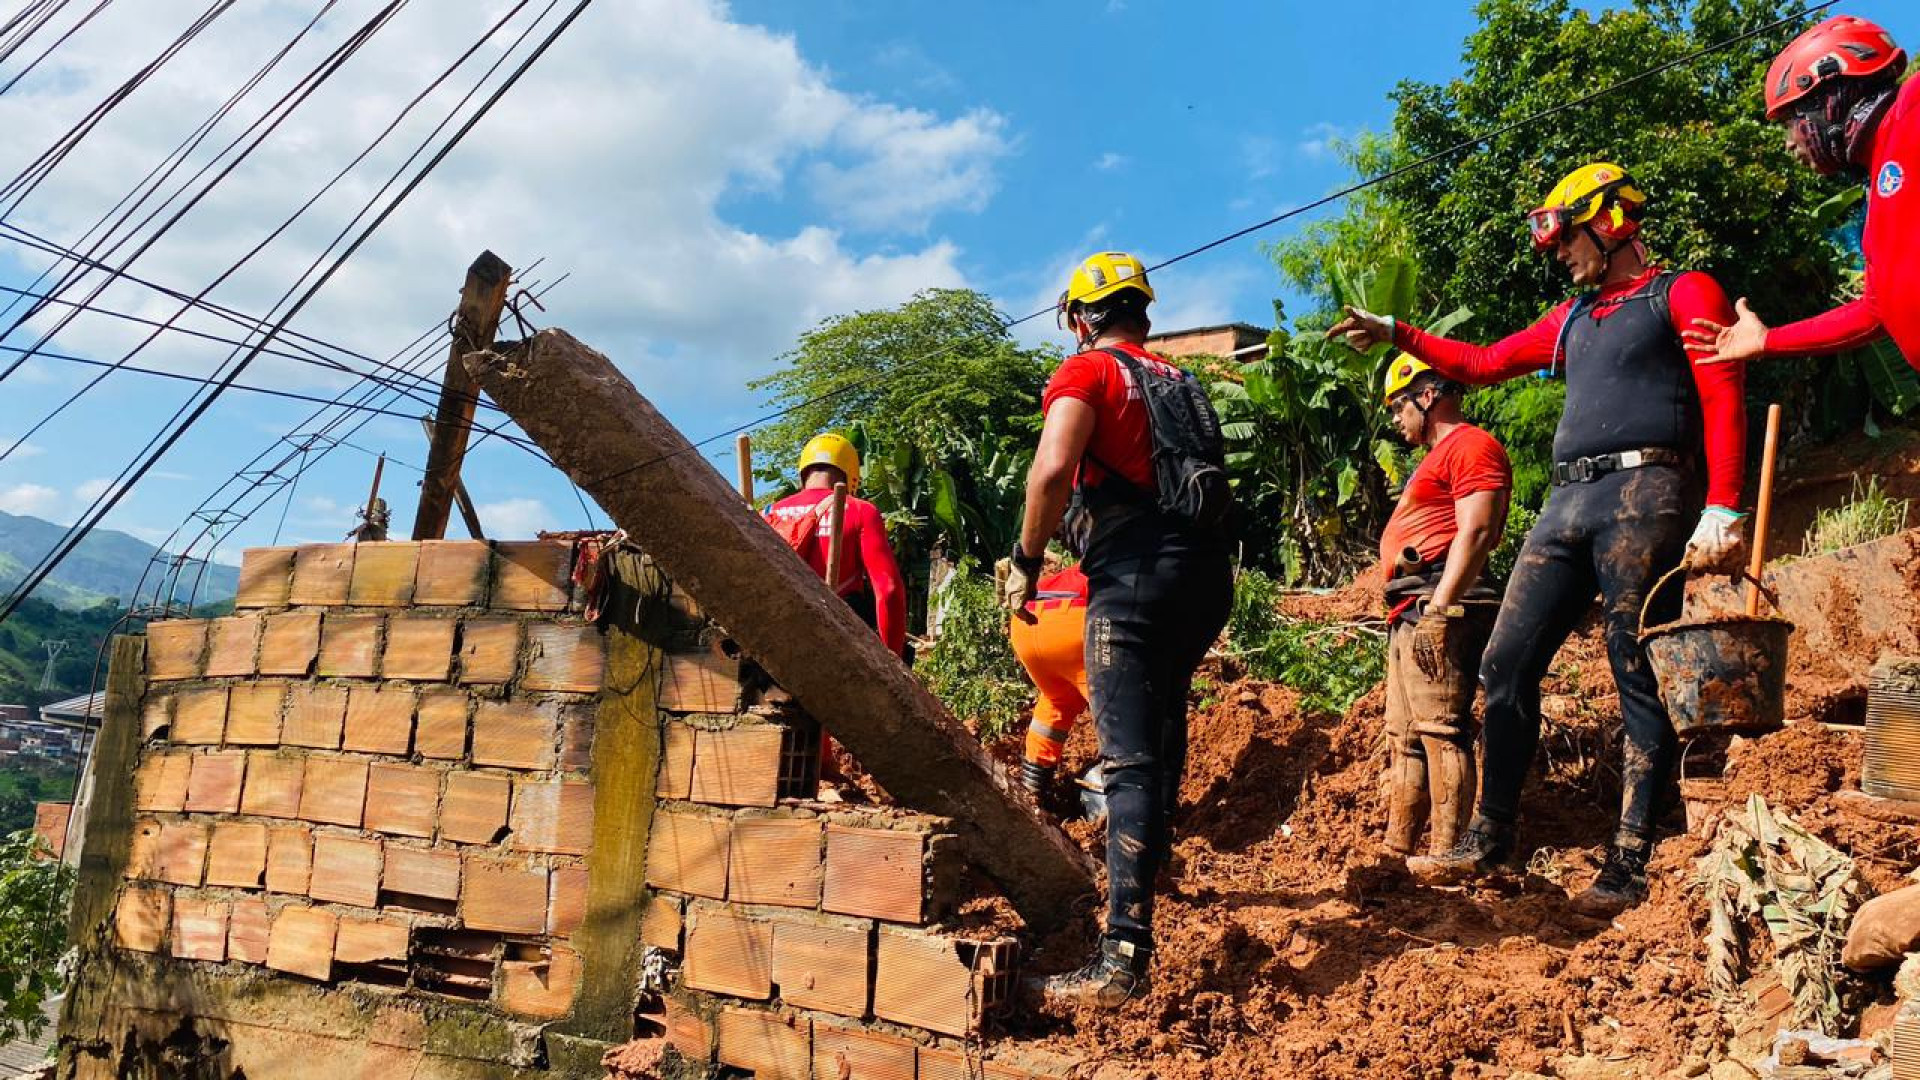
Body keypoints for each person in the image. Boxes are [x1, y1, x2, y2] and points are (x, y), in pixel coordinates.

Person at [1329, 163, 1750, 916]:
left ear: (1611, 222)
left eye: (1567, 238)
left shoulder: (1681, 292)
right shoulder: (1574, 320)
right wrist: (1399, 332)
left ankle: (1630, 858)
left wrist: (1722, 506)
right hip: (1569, 501)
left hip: (1647, 492)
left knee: (1633, 663)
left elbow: (1722, 391)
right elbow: (1484, 362)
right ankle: (1491, 832)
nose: (1560, 255)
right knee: (1503, 661)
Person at [1000, 251, 1233, 1008]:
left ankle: (1121, 961)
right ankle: (1151, 877)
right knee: (1162, 725)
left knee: (1127, 760)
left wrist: (1026, 559)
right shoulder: (1182, 380)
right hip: (1204, 578)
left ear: (1078, 318)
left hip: (1132, 575)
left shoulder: (1087, 374)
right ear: (1144, 311)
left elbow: (1050, 472)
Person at [1684, 16, 1917, 371]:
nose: (1790, 144)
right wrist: (1766, 340)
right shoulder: (1876, 205)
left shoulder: (1911, 110)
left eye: (1790, 123)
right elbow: (1875, 311)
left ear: (1827, 94)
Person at [1374, 356, 1511, 859]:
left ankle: (1450, 853)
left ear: (1426, 395)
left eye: (1396, 406)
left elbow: (1475, 531)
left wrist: (1440, 607)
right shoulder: (1436, 457)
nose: (1395, 418)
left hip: (1440, 604)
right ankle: (1398, 850)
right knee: (1405, 736)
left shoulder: (1471, 445)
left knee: (1440, 730)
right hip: (1411, 607)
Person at [764, 434, 908, 657]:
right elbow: (888, 591)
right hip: (840, 639)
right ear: (851, 473)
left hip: (776, 632)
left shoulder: (770, 514)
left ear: (803, 473)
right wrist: (894, 660)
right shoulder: (860, 510)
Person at [1008, 562, 1089, 795]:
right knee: (1118, 715)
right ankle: (1130, 801)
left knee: (1057, 701)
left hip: (1026, 624)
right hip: (1073, 620)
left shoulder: (1074, 570)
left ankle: (1032, 789)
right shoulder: (1120, 564)